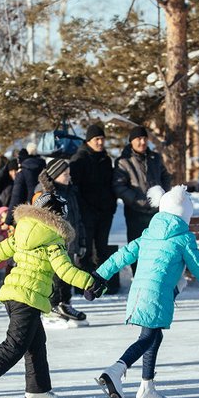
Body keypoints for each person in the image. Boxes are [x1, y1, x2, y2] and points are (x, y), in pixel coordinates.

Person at [85, 185, 199, 398]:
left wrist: (99, 276)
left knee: (154, 335)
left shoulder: (148, 235)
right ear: (185, 215)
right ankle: (115, 371)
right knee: (148, 338)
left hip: (139, 293)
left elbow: (122, 255)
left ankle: (146, 388)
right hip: (158, 296)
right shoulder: (183, 238)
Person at [0, 193, 96, 398]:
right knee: (16, 345)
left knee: (35, 343)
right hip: (28, 297)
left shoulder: (21, 230)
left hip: (13, 294)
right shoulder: (54, 239)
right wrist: (89, 281)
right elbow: (65, 271)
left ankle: (37, 389)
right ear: (58, 216)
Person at [34, 158, 88, 326]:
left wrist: (82, 241)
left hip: (70, 242)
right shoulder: (46, 193)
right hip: (54, 244)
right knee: (55, 276)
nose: (68, 177)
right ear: (55, 175)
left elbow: (78, 218)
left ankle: (65, 303)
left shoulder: (70, 191)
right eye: (65, 174)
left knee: (67, 274)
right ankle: (51, 308)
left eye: (69, 174)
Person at [113, 125, 171, 274]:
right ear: (131, 141)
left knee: (157, 245)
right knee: (136, 246)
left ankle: (155, 275)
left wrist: (163, 194)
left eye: (145, 138)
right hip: (135, 211)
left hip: (156, 211)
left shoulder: (155, 158)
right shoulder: (123, 161)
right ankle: (137, 275)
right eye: (138, 138)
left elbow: (165, 176)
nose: (142, 142)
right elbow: (119, 187)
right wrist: (138, 200)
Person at [70, 124, 117, 291]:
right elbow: (74, 188)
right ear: (89, 140)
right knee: (86, 250)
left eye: (102, 139)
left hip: (104, 212)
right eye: (97, 139)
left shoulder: (106, 159)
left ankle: (102, 284)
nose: (100, 142)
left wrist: (111, 205)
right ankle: (85, 285)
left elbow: (110, 185)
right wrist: (84, 209)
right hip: (86, 213)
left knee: (102, 250)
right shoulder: (79, 159)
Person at [5, 143, 46, 225]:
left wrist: (8, 221)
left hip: (30, 213)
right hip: (46, 210)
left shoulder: (22, 173)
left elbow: (16, 198)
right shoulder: (45, 168)